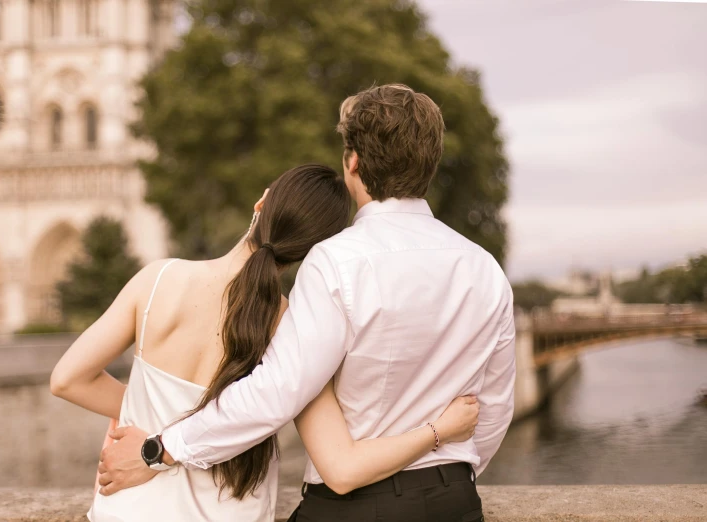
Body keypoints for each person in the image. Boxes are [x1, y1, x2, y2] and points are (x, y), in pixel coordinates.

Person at [100, 84, 516, 522]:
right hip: (457, 503)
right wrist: (445, 473)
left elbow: (275, 394)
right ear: (430, 165)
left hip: (358, 508)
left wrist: (160, 449)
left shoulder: (336, 262)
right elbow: (492, 413)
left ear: (352, 161)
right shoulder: (483, 267)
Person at [51, 163, 481, 522]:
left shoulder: (158, 279)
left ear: (261, 204)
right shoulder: (293, 326)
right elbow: (343, 467)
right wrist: (440, 430)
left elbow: (68, 380)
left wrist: (149, 419)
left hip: (127, 509)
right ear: (316, 250)